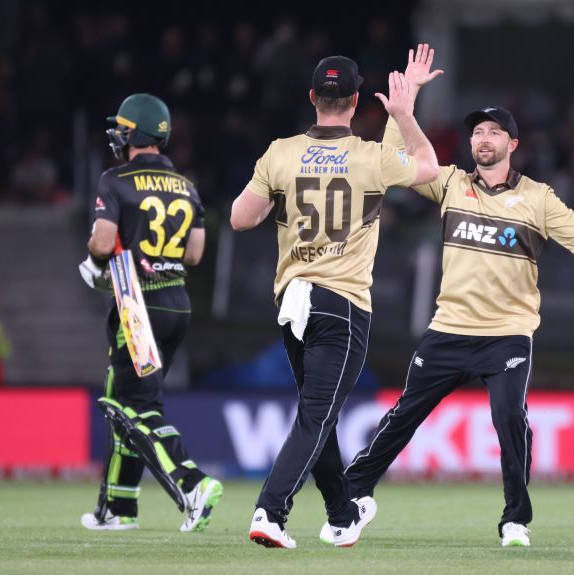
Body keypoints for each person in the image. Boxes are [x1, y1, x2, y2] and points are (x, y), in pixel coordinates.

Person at [335, 45, 574, 548]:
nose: (483, 138)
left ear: (513, 144)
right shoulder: (451, 183)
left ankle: (515, 518)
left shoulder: (538, 198)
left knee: (508, 419)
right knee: (405, 414)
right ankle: (353, 493)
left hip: (506, 336)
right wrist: (402, 114)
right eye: (476, 131)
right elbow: (394, 163)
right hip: (449, 330)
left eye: (494, 131)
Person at [230, 55, 438, 548]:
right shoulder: (369, 158)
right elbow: (428, 167)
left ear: (311, 99)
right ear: (355, 102)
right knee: (316, 417)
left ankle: (341, 515)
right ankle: (270, 511)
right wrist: (406, 112)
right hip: (342, 303)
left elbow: (240, 218)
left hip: (292, 300)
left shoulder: (280, 153)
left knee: (316, 414)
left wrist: (284, 198)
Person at [78, 93, 222, 533]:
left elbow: (102, 244)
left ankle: (191, 483)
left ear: (134, 134)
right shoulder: (186, 185)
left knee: (133, 407)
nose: (117, 136)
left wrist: (96, 261)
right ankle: (117, 510)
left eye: (122, 128)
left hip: (136, 305)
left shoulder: (115, 179)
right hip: (176, 303)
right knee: (127, 404)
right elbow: (194, 253)